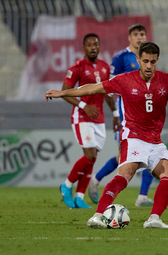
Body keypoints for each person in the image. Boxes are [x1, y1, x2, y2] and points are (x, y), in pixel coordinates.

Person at [45, 42, 168, 228]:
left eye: (152, 62)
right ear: (138, 59)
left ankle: (154, 219)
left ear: (157, 61)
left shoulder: (167, 80)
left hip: (155, 141)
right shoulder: (124, 80)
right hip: (133, 138)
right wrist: (62, 93)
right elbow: (91, 88)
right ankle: (97, 216)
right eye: (145, 61)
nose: (148, 66)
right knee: (126, 173)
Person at [88, 24, 168, 207]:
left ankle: (142, 195)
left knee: (150, 152)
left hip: (149, 115)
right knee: (124, 158)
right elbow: (110, 87)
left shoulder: (149, 58)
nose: (139, 37)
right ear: (129, 37)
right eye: (136, 34)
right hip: (127, 117)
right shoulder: (121, 58)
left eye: (142, 34)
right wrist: (115, 114)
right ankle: (96, 179)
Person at [58, 33, 120, 209]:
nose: (93, 47)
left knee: (92, 159)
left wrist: (115, 114)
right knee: (89, 155)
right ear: (83, 47)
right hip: (82, 116)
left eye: (96, 44)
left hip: (99, 118)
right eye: (89, 45)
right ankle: (67, 185)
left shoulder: (104, 67)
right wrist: (83, 106)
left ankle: (79, 197)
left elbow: (107, 93)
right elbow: (64, 92)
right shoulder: (78, 67)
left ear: (100, 47)